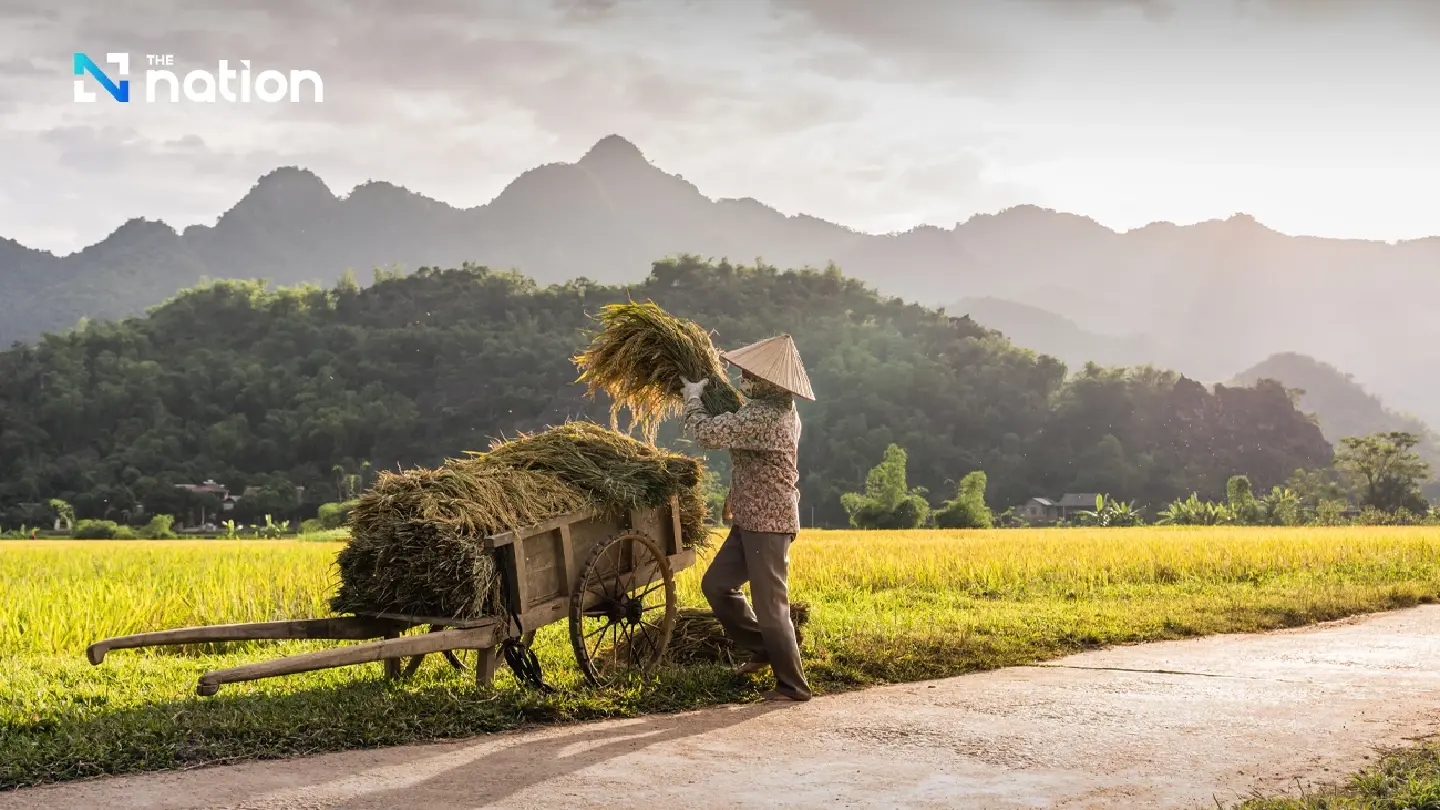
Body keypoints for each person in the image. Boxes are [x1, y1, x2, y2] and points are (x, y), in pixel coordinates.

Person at [680, 333, 815, 702]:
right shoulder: (774, 410)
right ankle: (763, 648)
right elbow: (756, 463)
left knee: (772, 606)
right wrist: (734, 496)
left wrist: (692, 397)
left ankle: (793, 685)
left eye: (749, 376)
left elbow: (707, 434)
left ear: (768, 382)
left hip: (769, 523)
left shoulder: (765, 416)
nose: (744, 380)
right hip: (750, 516)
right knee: (717, 585)